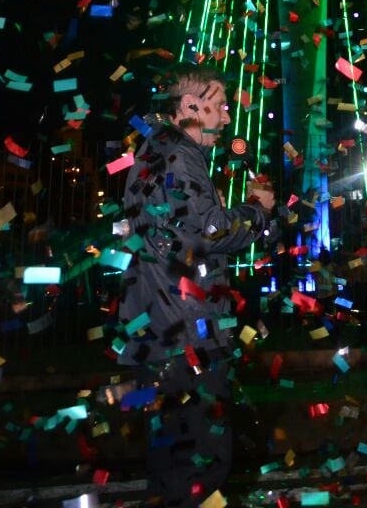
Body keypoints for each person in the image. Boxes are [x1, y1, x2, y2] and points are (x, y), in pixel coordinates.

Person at [117, 66, 276, 507]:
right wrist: (258, 212)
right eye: (221, 106)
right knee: (201, 465)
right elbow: (210, 230)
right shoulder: (177, 155)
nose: (226, 118)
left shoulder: (156, 152)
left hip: (161, 334)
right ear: (189, 107)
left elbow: (179, 238)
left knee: (173, 465)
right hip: (186, 339)